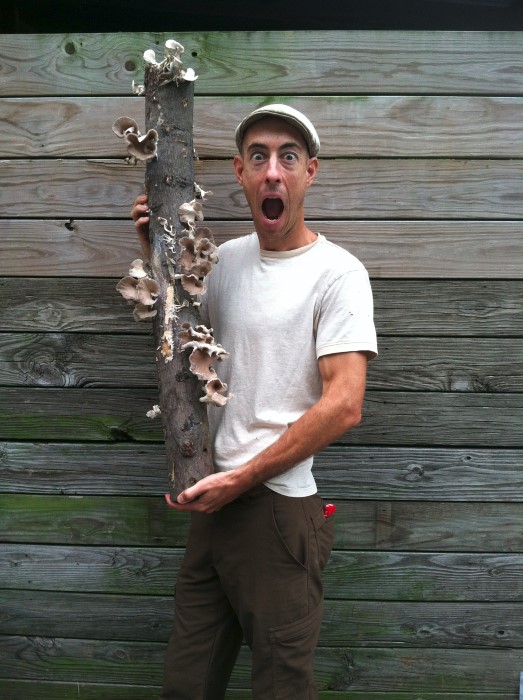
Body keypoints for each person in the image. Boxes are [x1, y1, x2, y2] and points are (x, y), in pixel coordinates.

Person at [132, 104, 377, 699]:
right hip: (212, 505)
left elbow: (345, 404)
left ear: (309, 173)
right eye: (260, 157)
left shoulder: (339, 275)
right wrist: (156, 245)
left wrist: (241, 479)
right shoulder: (221, 263)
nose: (274, 172)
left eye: (288, 157)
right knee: (185, 685)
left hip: (277, 510)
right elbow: (180, 336)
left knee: (280, 689)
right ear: (240, 173)